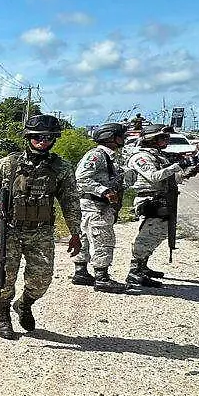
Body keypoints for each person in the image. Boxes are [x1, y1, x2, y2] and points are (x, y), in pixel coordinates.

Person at [0, 115, 82, 340]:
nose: (42, 142)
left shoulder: (61, 168)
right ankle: (3, 315)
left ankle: (24, 304)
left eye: (48, 138)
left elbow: (70, 200)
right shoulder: (8, 164)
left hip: (41, 231)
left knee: (42, 280)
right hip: (11, 229)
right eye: (37, 137)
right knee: (5, 278)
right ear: (29, 137)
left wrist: (75, 232)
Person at [125, 123, 199, 287]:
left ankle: (142, 266)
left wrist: (186, 172)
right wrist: (178, 165)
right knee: (147, 236)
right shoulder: (141, 156)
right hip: (149, 200)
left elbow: (169, 178)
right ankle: (134, 271)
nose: (166, 140)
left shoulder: (159, 156)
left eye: (167, 137)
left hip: (163, 199)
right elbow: (154, 176)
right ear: (151, 139)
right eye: (162, 137)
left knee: (157, 234)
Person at [72, 123, 129, 293]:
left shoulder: (110, 156)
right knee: (103, 239)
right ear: (111, 137)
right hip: (95, 205)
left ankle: (81, 272)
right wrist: (104, 191)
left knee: (86, 238)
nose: (123, 138)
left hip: (96, 205)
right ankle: (102, 277)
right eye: (120, 135)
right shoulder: (96, 155)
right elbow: (81, 178)